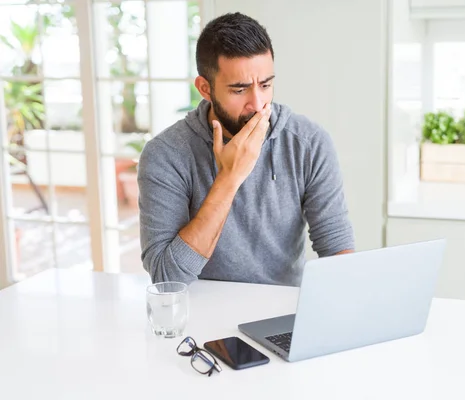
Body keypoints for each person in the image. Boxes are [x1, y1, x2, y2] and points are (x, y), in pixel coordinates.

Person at [137, 12, 354, 286]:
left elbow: (336, 247)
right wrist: (229, 178)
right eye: (239, 90)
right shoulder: (165, 155)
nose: (258, 103)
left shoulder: (308, 143)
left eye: (265, 85)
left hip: (282, 312)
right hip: (203, 313)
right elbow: (167, 278)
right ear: (205, 88)